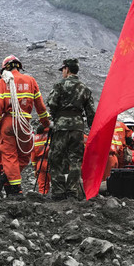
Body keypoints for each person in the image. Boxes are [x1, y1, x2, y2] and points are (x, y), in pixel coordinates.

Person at [0, 55, 50, 197]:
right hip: (24, 124)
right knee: (24, 157)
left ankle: (13, 188)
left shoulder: (4, 81)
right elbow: (40, 106)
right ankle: (11, 184)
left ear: (5, 68)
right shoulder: (31, 81)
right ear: (19, 66)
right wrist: (46, 124)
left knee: (10, 157)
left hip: (8, 123)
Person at [46, 58, 95, 200]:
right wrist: (91, 128)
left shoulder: (59, 85)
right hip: (77, 128)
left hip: (61, 127)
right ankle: (73, 191)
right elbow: (91, 111)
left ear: (66, 69)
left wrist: (55, 119)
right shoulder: (84, 88)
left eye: (62, 70)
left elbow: (52, 103)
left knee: (56, 158)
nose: (62, 72)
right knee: (75, 160)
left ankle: (58, 192)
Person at [31, 123, 51, 195]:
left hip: (40, 163)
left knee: (42, 185)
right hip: (51, 162)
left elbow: (33, 154)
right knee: (57, 183)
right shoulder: (52, 135)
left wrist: (35, 167)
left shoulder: (36, 137)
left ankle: (43, 197)